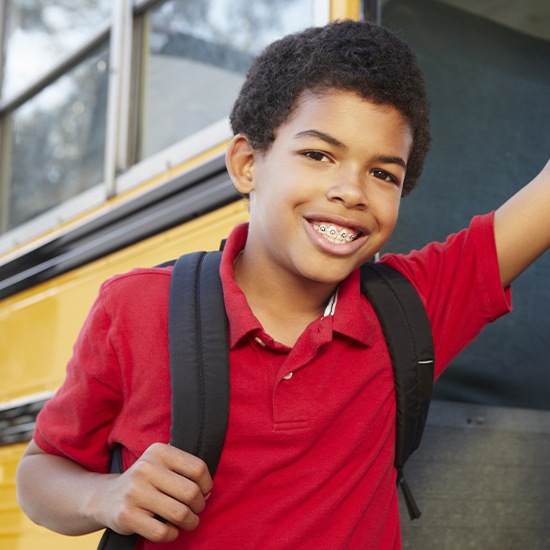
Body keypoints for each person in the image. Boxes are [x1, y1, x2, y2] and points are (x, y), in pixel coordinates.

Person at [15, 19, 550, 550]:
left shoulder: (409, 307)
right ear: (248, 164)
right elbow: (40, 474)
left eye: (383, 173)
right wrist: (105, 496)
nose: (350, 191)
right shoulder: (137, 306)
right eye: (318, 155)